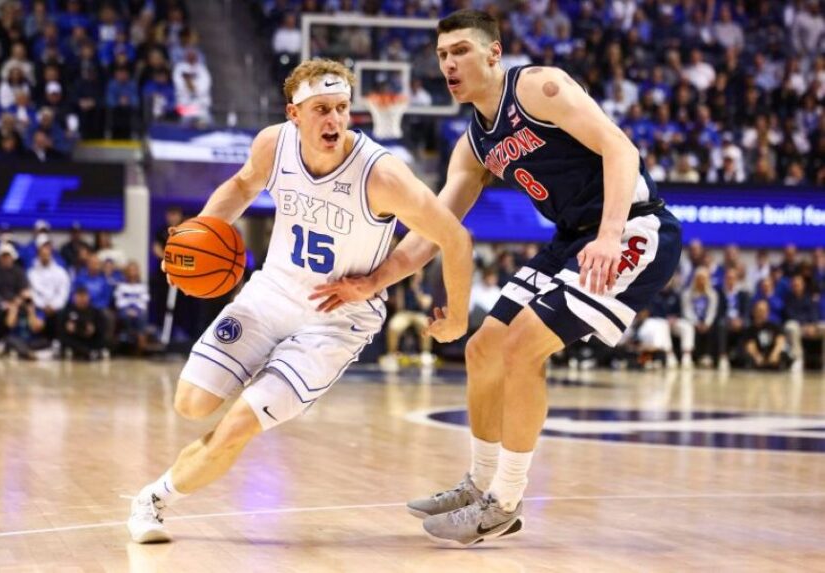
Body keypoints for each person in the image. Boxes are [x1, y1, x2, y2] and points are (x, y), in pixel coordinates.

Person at [310, 10, 682, 546]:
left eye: (460, 51)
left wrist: (609, 233)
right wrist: (376, 280)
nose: (449, 64)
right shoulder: (474, 145)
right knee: (482, 348)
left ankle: (505, 501)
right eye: (442, 55)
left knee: (522, 348)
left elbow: (620, 148)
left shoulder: (538, 87)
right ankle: (480, 482)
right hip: (571, 238)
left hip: (632, 227)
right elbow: (432, 229)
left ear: (493, 54)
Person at [126, 59, 473, 543]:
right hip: (272, 292)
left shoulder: (382, 175)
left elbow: (451, 239)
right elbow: (243, 185)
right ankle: (246, 385)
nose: (334, 121)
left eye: (342, 109)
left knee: (238, 425)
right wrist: (190, 240)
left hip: (337, 318)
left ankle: (154, 500)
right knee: (191, 403)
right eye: (321, 110)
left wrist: (386, 285)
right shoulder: (273, 144)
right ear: (294, 112)